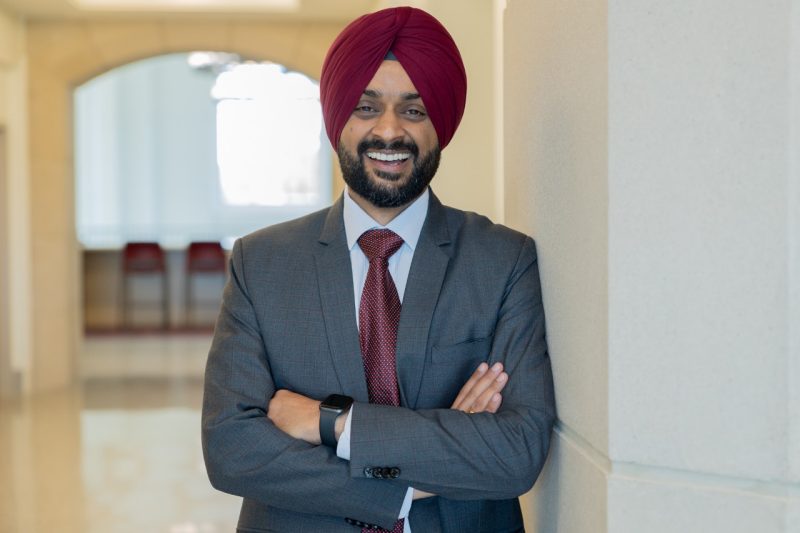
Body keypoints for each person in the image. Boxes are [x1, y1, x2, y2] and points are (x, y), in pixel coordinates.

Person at [202, 6, 555, 533]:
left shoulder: (503, 260)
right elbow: (232, 449)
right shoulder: (262, 262)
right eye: (367, 107)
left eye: (413, 112)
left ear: (441, 124)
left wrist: (334, 425)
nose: (389, 131)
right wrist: (410, 479)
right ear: (338, 118)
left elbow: (516, 454)